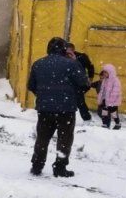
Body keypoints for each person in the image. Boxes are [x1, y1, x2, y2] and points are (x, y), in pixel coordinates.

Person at [28, 37, 89, 177]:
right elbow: (83, 83)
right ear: (63, 49)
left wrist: (44, 95)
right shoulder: (71, 64)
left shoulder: (38, 64)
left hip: (44, 108)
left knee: (42, 137)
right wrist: (76, 62)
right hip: (65, 109)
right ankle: (60, 167)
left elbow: (31, 85)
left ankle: (37, 165)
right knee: (64, 138)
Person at [65, 43, 94, 122]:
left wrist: (90, 78)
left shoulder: (82, 57)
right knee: (66, 100)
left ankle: (87, 118)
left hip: (79, 83)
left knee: (79, 100)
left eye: (69, 50)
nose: (68, 53)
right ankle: (66, 119)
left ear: (73, 50)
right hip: (66, 83)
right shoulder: (63, 57)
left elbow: (90, 67)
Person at [95, 64, 122, 130]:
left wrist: (110, 101)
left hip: (113, 101)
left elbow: (115, 92)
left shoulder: (116, 81)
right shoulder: (105, 80)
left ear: (110, 72)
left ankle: (117, 123)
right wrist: (101, 98)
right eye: (104, 72)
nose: (104, 73)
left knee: (113, 113)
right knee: (104, 112)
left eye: (106, 72)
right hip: (105, 100)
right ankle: (105, 124)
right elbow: (102, 90)